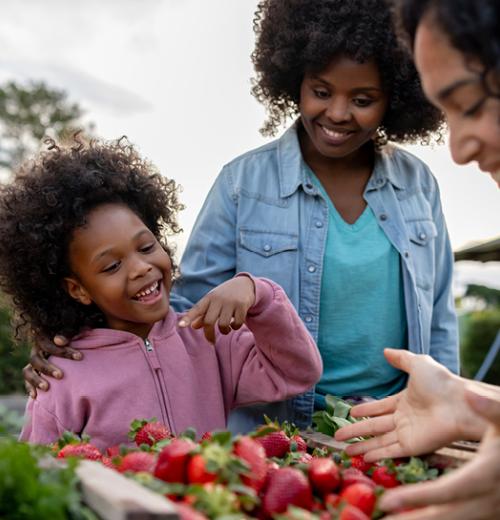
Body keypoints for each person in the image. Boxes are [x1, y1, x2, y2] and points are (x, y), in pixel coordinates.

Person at [22, 0, 459, 434]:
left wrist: (449, 407)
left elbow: (438, 316)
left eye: (362, 99)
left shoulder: (418, 185)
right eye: (321, 92)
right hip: (280, 426)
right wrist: (71, 336)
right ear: (295, 81)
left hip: (397, 420)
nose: (338, 113)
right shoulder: (241, 184)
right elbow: (181, 312)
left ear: (397, 99)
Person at [0, 137, 322, 450]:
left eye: (146, 246)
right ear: (78, 289)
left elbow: (298, 372)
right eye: (112, 266)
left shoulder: (209, 338)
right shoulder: (62, 377)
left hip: (207, 504)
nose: (141, 267)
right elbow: (41, 472)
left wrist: (259, 293)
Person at [336, 0, 500, 517]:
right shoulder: (242, 180)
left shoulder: (418, 187)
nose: (458, 149)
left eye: (470, 105)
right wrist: (466, 404)